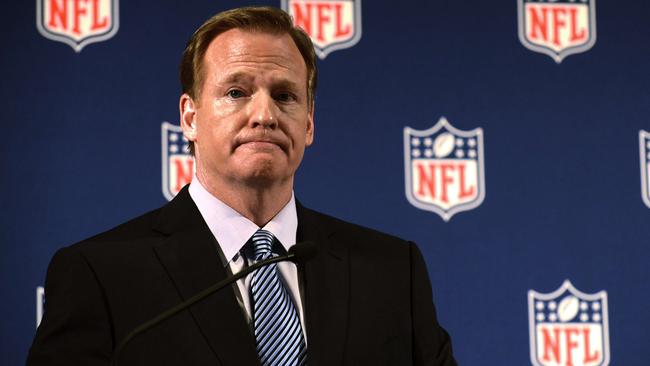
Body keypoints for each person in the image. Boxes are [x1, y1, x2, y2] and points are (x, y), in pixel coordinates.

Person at [27, 6, 456, 366]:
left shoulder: (393, 272)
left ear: (308, 124)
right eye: (236, 92)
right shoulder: (100, 275)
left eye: (285, 96)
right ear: (190, 118)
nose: (264, 115)